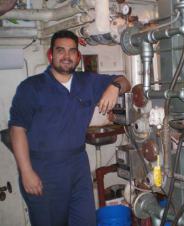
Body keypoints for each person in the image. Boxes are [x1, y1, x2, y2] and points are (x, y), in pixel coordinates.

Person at [9, 30, 131, 226]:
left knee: (86, 220)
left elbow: (126, 82)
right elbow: (17, 130)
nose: (66, 56)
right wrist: (26, 172)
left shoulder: (88, 81)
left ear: (78, 56)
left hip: (78, 167)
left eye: (72, 51)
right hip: (43, 169)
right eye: (61, 51)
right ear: (51, 55)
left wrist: (114, 87)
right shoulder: (31, 87)